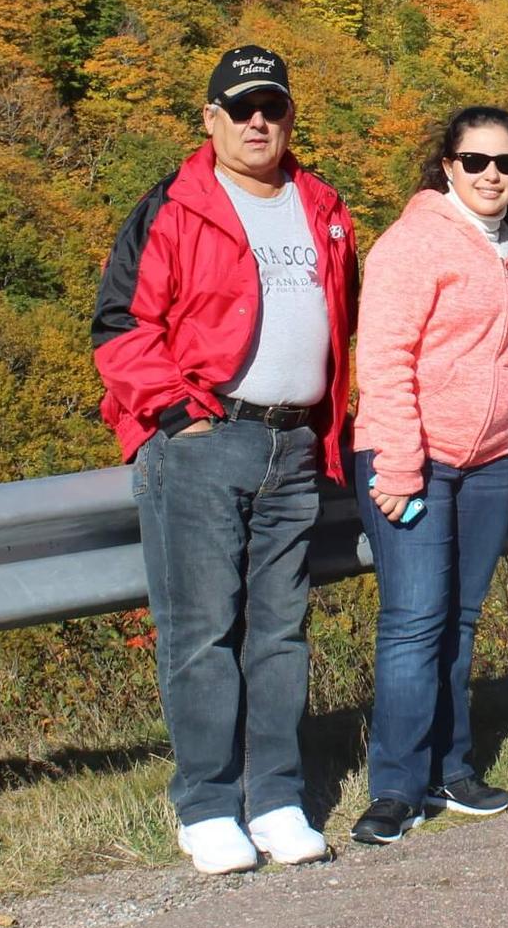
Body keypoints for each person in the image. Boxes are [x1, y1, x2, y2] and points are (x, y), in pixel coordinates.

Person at [91, 45, 358, 874]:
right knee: (202, 630)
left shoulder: (320, 204)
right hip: (207, 440)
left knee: (280, 630)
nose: (257, 122)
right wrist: (177, 415)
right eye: (240, 108)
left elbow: (351, 313)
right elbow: (120, 324)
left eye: (271, 107)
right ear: (210, 119)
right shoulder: (175, 206)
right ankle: (206, 804)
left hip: (295, 441)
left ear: (289, 116)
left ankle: (276, 796)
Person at [349, 106, 508, 844]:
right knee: (413, 623)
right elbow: (385, 359)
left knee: (458, 620)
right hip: (415, 456)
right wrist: (397, 462)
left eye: (507, 163)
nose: (492, 175)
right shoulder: (413, 243)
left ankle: (452, 769)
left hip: (487, 459)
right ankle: (395, 788)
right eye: (476, 161)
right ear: (447, 166)